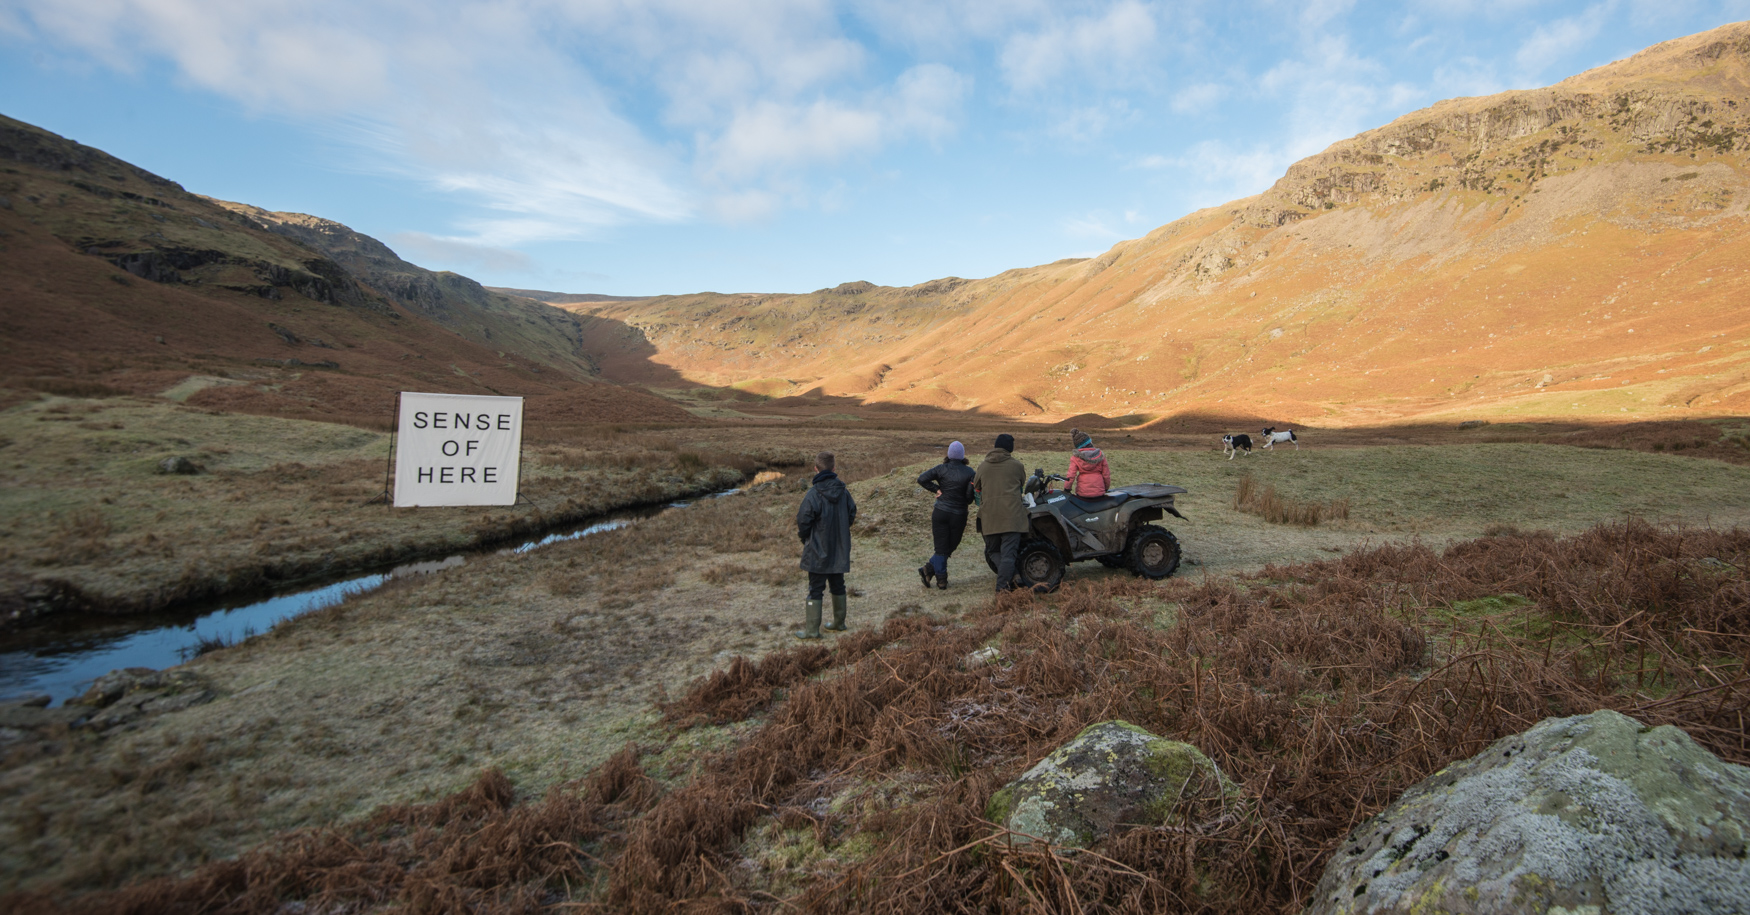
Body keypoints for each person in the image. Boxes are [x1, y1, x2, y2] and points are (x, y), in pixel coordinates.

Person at [795, 450, 857, 639]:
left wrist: (805, 537)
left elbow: (803, 520)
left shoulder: (813, 494)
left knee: (816, 588)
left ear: (816, 469)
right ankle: (839, 623)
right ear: (834, 468)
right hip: (839, 547)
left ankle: (813, 631)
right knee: (838, 585)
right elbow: (851, 513)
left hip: (817, 549)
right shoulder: (844, 492)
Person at [972, 433, 1028, 593]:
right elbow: (1021, 483)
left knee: (993, 551)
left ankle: (1015, 576)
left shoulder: (983, 466)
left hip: (989, 518)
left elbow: (977, 486)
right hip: (1012, 517)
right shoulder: (1017, 466)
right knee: (1008, 555)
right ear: (1010, 449)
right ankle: (1002, 589)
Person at [915, 440, 975, 590]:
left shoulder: (941, 469)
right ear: (962, 456)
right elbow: (969, 497)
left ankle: (928, 570)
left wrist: (936, 489)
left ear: (949, 455)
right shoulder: (970, 473)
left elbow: (921, 478)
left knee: (943, 547)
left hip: (940, 512)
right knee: (948, 546)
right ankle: (941, 580)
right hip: (959, 514)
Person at [1064, 428, 1110, 499]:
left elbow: (1071, 475)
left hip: (1082, 492)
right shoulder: (1100, 455)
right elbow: (1106, 474)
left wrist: (1067, 489)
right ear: (1090, 442)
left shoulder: (1075, 457)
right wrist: (1106, 488)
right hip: (1099, 492)